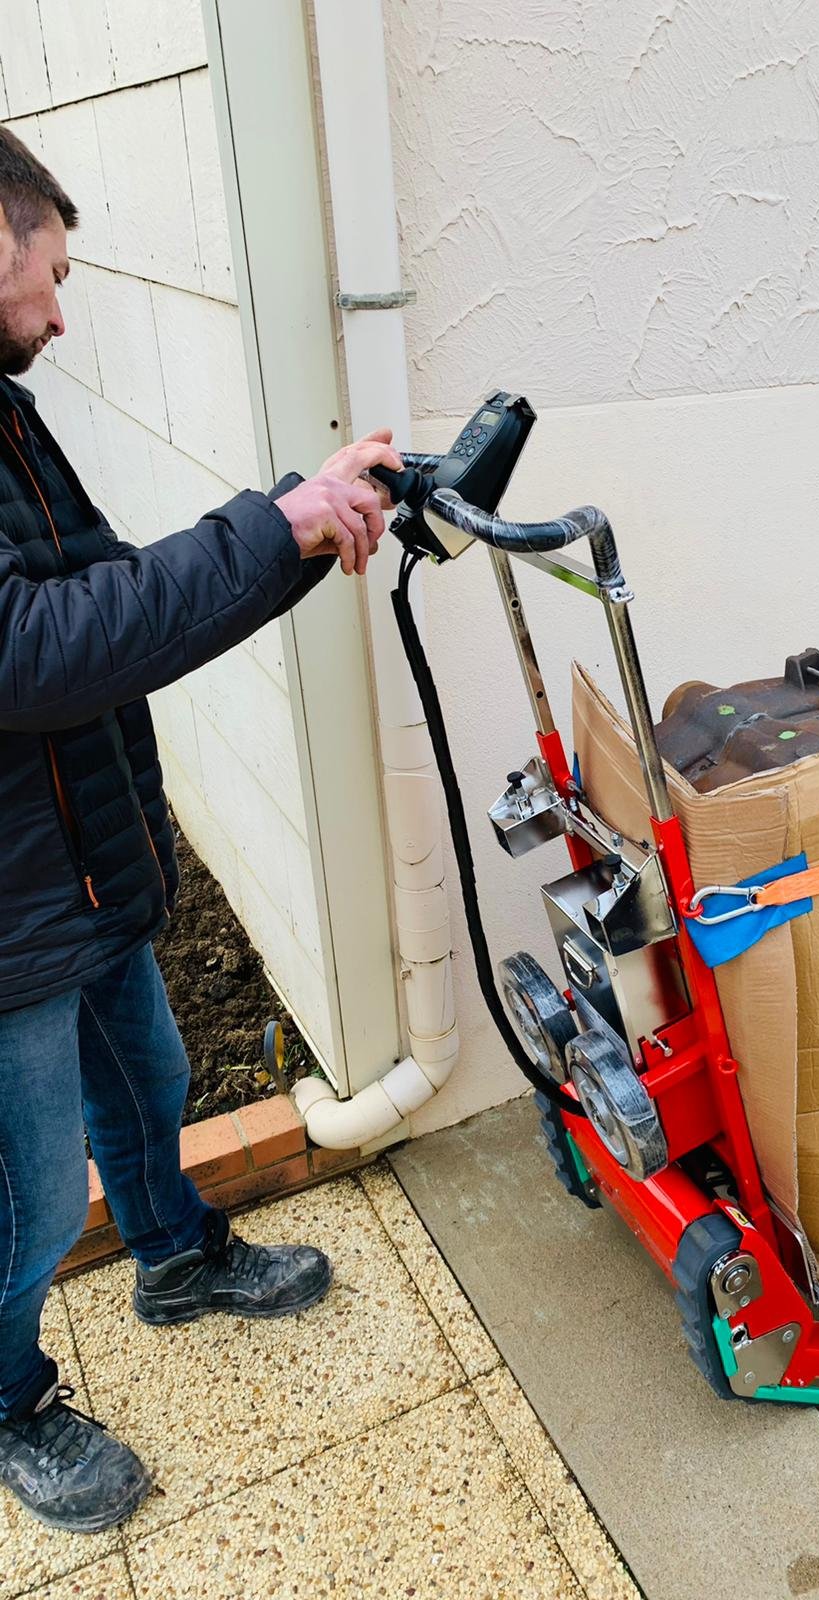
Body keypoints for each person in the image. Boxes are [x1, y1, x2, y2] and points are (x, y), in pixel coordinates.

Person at [0, 126, 402, 1534]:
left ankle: (175, 1259)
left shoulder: (0, 412)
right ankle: (11, 1407)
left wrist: (302, 532)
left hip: (74, 861)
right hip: (6, 918)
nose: (61, 306)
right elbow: (35, 648)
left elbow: (114, 602)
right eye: (46, 273)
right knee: (32, 1201)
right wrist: (273, 526)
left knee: (150, 1078)